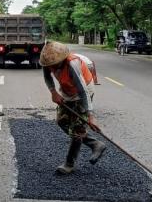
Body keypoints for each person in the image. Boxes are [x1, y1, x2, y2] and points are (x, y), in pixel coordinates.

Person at [40, 41, 107, 175]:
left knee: (77, 129)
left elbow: (83, 91)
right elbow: (47, 76)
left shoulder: (72, 64)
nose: (52, 67)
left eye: (54, 65)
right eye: (50, 65)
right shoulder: (47, 61)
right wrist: (53, 92)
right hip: (67, 90)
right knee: (62, 121)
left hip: (83, 92)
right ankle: (94, 143)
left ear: (62, 59)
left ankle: (69, 164)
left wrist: (90, 116)